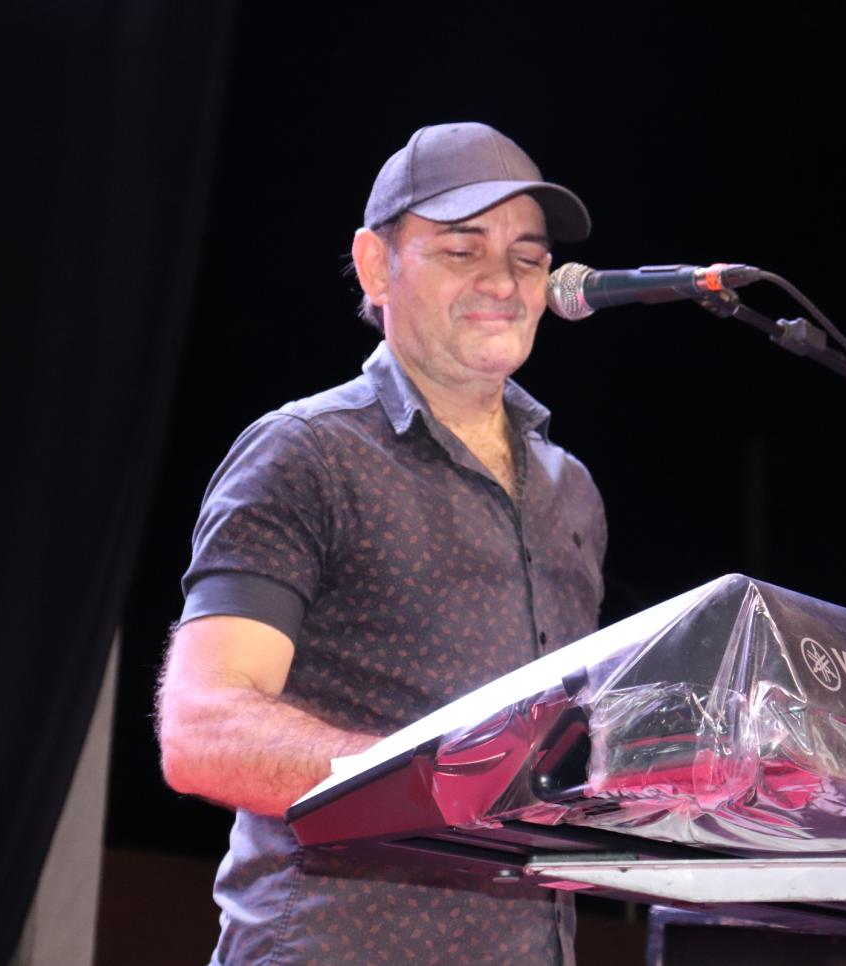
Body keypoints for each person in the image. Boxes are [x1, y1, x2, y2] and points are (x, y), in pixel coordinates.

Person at [156, 121, 607, 965]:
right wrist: (442, 783)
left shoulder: (569, 487)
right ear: (374, 266)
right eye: (462, 250)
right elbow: (201, 730)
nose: (502, 282)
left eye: (527, 258)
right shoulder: (306, 453)